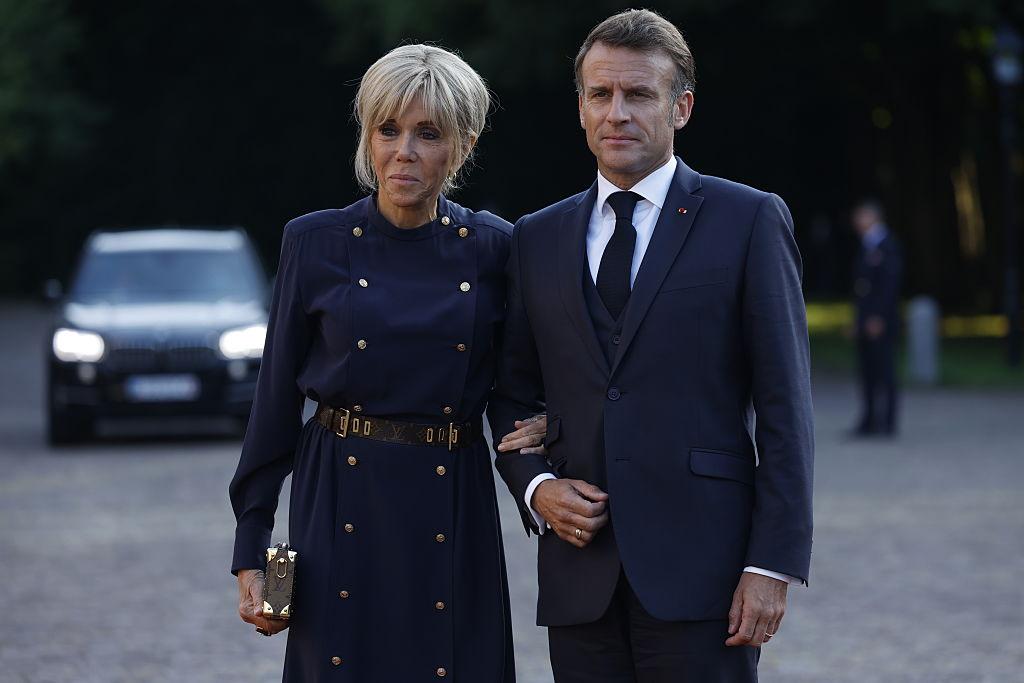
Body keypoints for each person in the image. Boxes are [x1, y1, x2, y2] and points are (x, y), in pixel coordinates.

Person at [489, 9, 814, 681]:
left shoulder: (748, 219)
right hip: (579, 575)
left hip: (707, 572)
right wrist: (537, 487)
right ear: (581, 108)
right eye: (600, 94)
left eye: (638, 94)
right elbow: (510, 392)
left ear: (680, 107)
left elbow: (786, 407)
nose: (617, 113)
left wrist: (771, 563)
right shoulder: (535, 237)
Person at [228, 44, 542, 682]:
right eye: (388, 129)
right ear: (367, 137)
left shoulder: (496, 248)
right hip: (336, 496)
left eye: (429, 133)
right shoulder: (312, 242)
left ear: (463, 145)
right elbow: (274, 407)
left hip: (451, 497)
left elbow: (518, 388)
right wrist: (252, 554)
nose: (405, 151)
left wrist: (549, 431)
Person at [850, 199, 902, 436]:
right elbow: (861, 288)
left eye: (861, 216)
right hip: (866, 320)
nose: (857, 221)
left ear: (873, 217)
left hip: (881, 321)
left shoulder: (888, 245)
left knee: (885, 371)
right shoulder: (866, 245)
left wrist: (878, 317)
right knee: (867, 372)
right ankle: (869, 421)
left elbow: (889, 286)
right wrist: (858, 320)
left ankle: (888, 422)